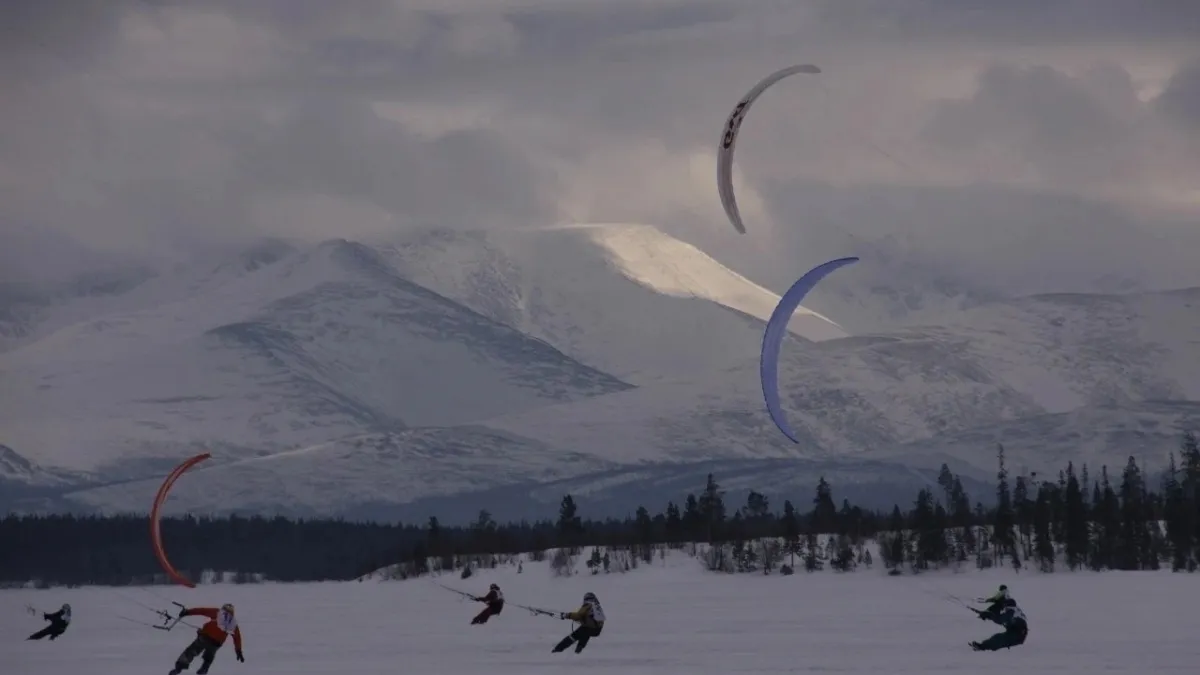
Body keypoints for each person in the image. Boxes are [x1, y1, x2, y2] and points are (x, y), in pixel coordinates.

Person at [168, 603, 244, 675]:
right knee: (209, 656)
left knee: (191, 651)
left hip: (205, 637)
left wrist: (187, 612)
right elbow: (237, 637)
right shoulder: (233, 623)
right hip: (216, 643)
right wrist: (238, 650)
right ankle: (204, 669)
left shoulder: (218, 612)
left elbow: (202, 611)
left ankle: (179, 667)